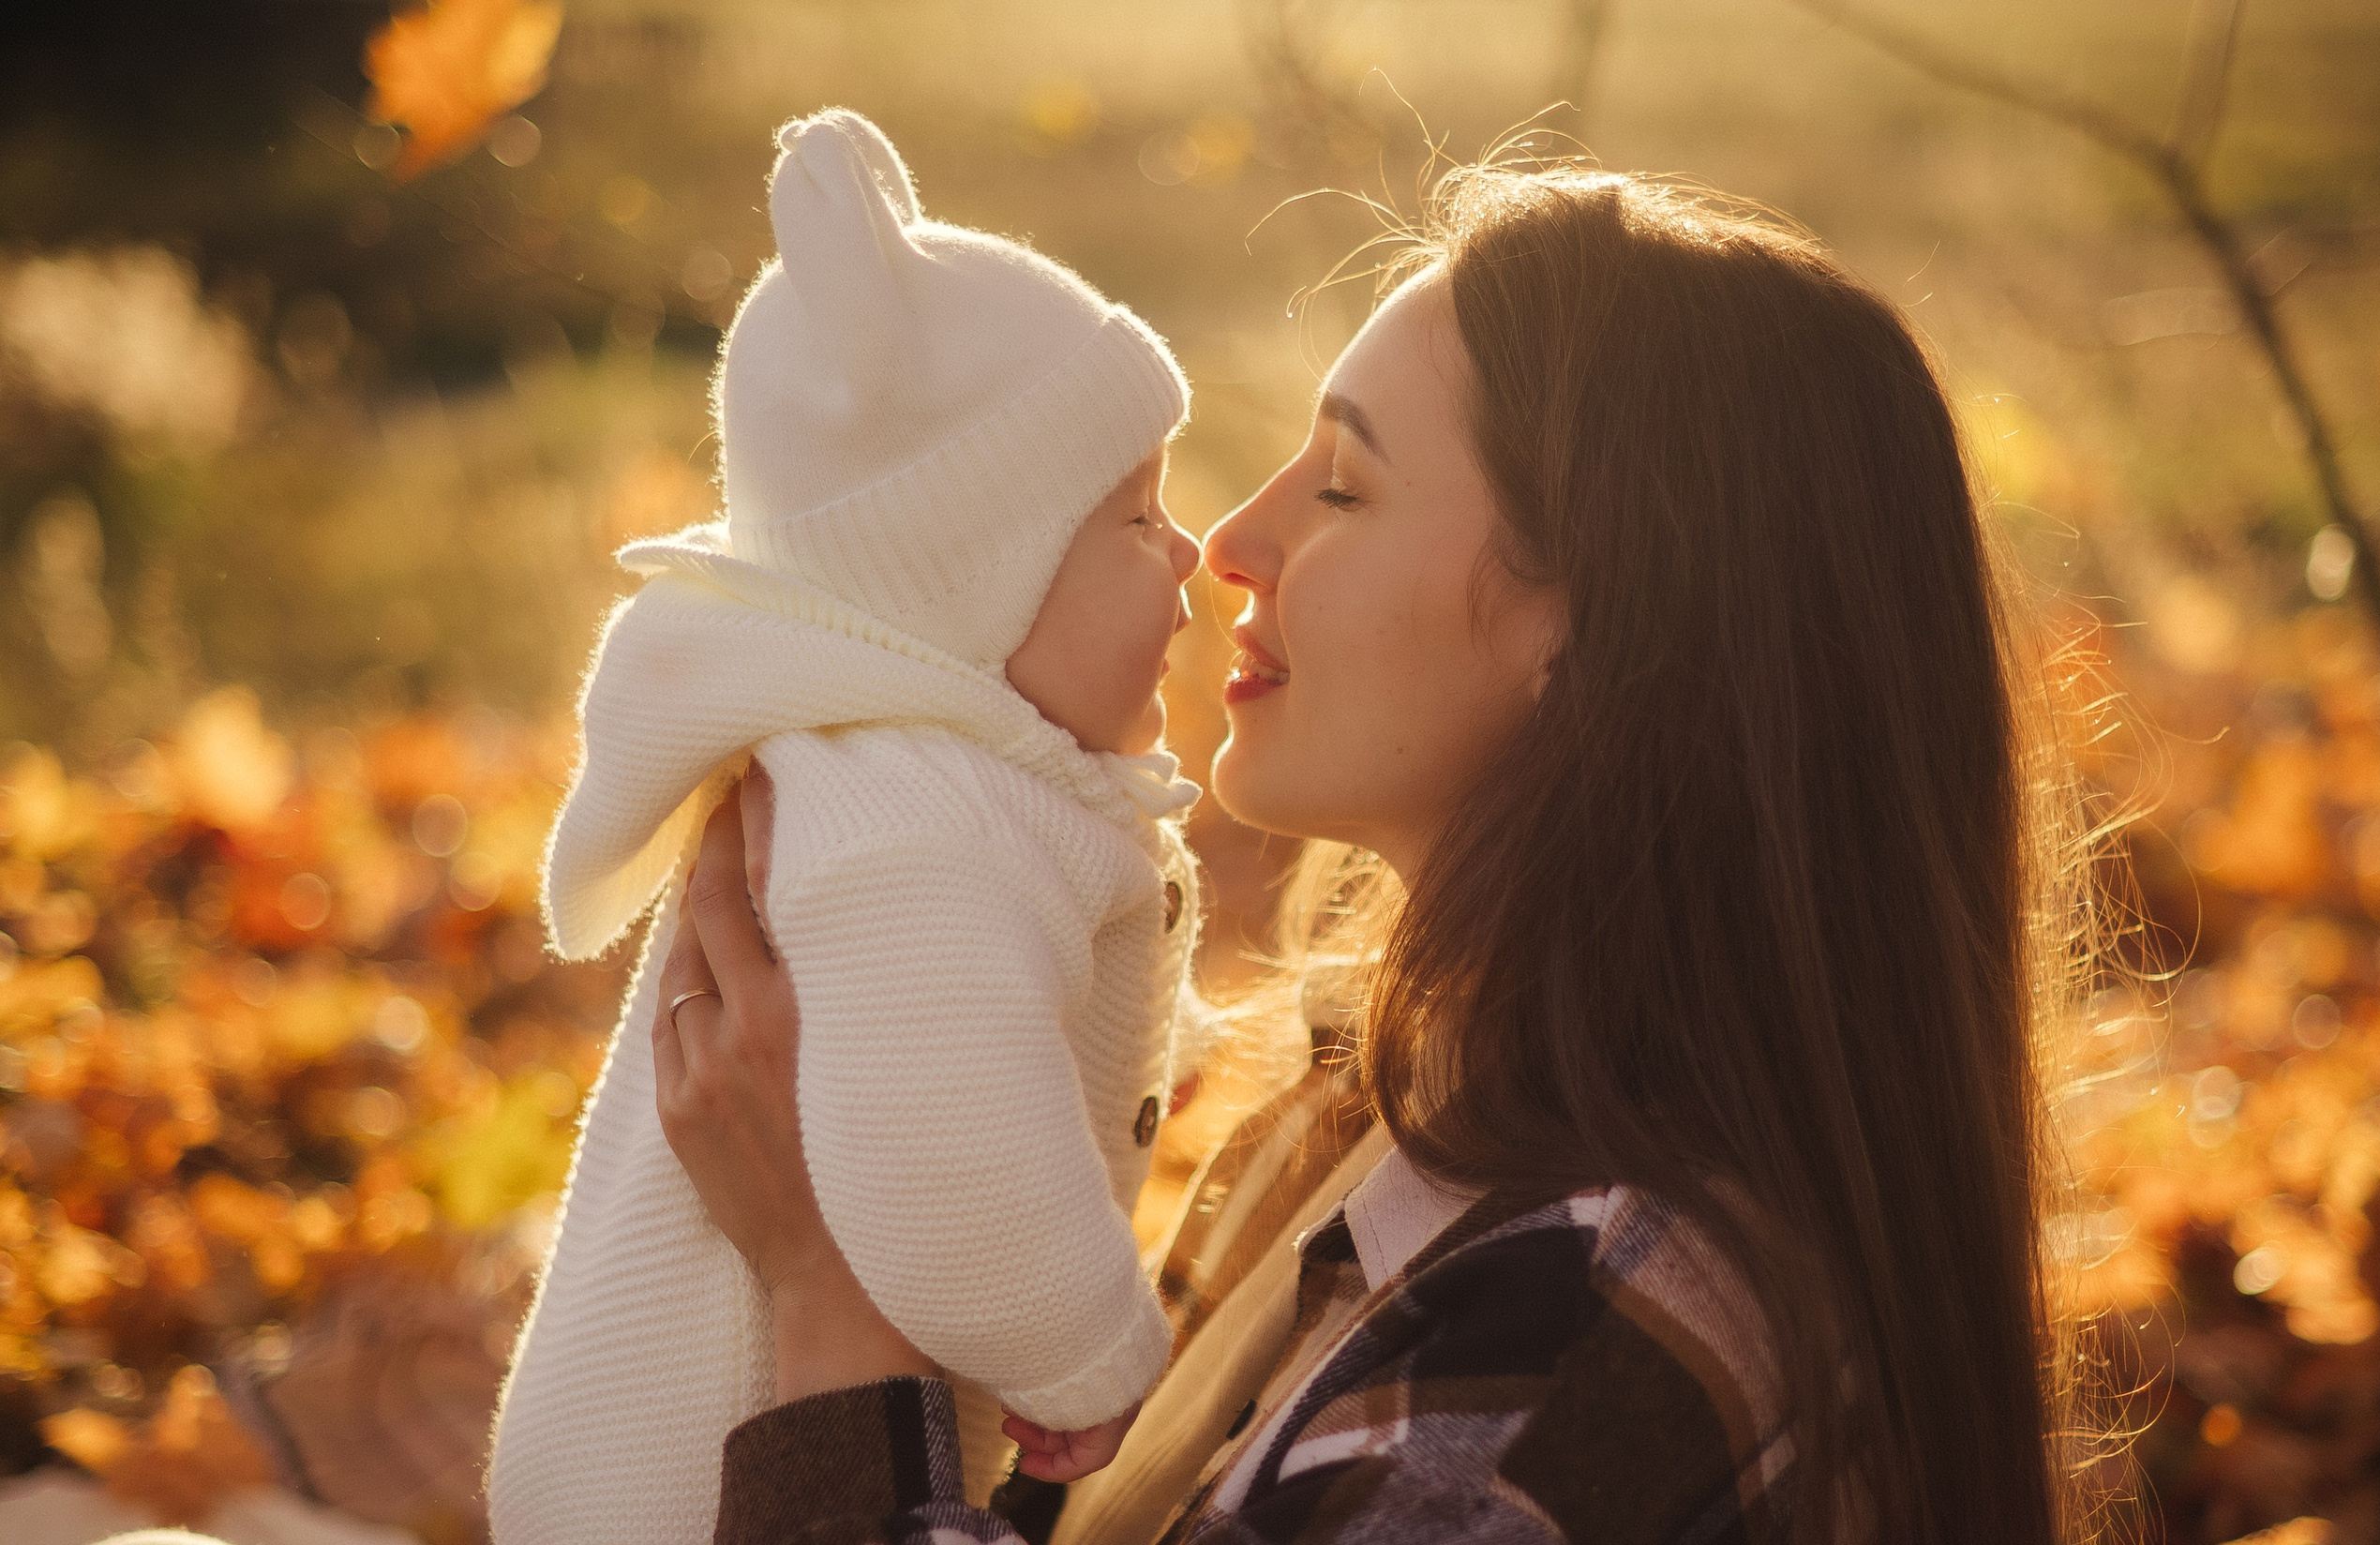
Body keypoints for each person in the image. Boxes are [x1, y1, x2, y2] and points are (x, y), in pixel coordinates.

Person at [646, 155, 2104, 1545]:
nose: (1228, 539)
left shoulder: (1583, 1339)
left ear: (1590, 618)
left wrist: (831, 1302)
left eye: (1342, 487)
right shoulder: (1363, 1126)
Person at [486, 108, 1218, 1545]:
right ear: (975, 583)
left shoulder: (934, 775)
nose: (1187, 551)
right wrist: (1089, 1358)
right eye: (1137, 520)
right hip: (695, 1484)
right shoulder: (907, 819)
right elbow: (947, 1146)